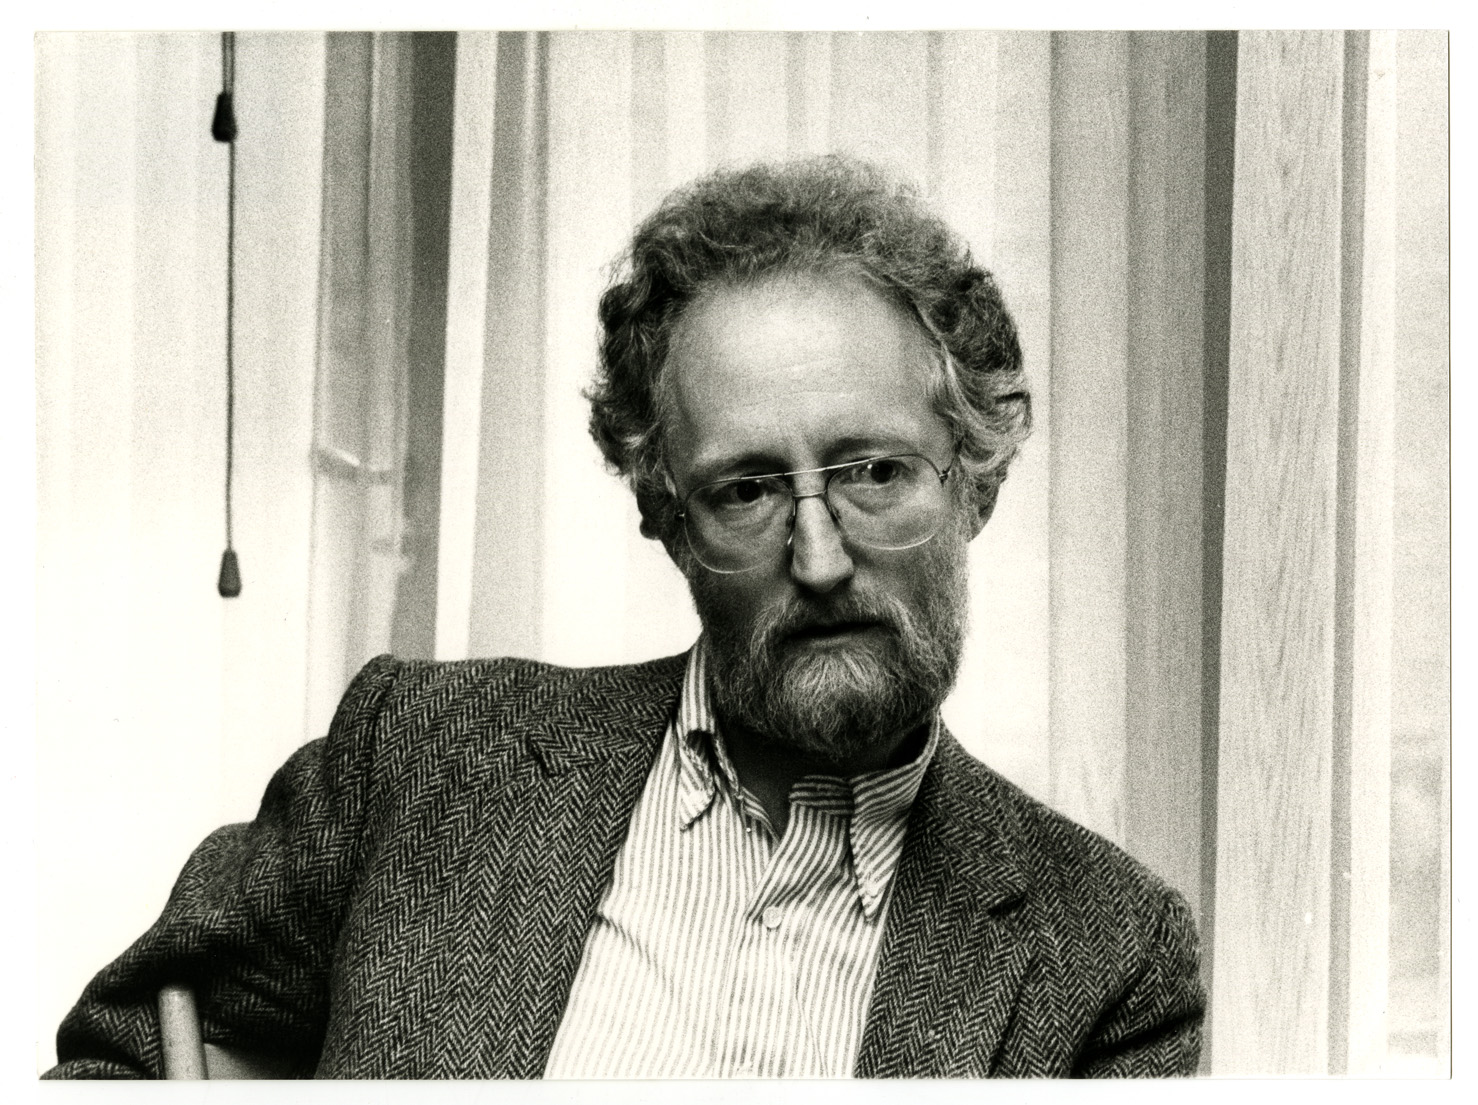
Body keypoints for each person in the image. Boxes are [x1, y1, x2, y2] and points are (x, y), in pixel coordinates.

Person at [47, 155, 1205, 1079]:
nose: (817, 557)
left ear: (973, 480)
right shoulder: (424, 752)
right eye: (745, 491)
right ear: (666, 517)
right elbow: (127, 1053)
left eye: (873, 472)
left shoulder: (1110, 959)